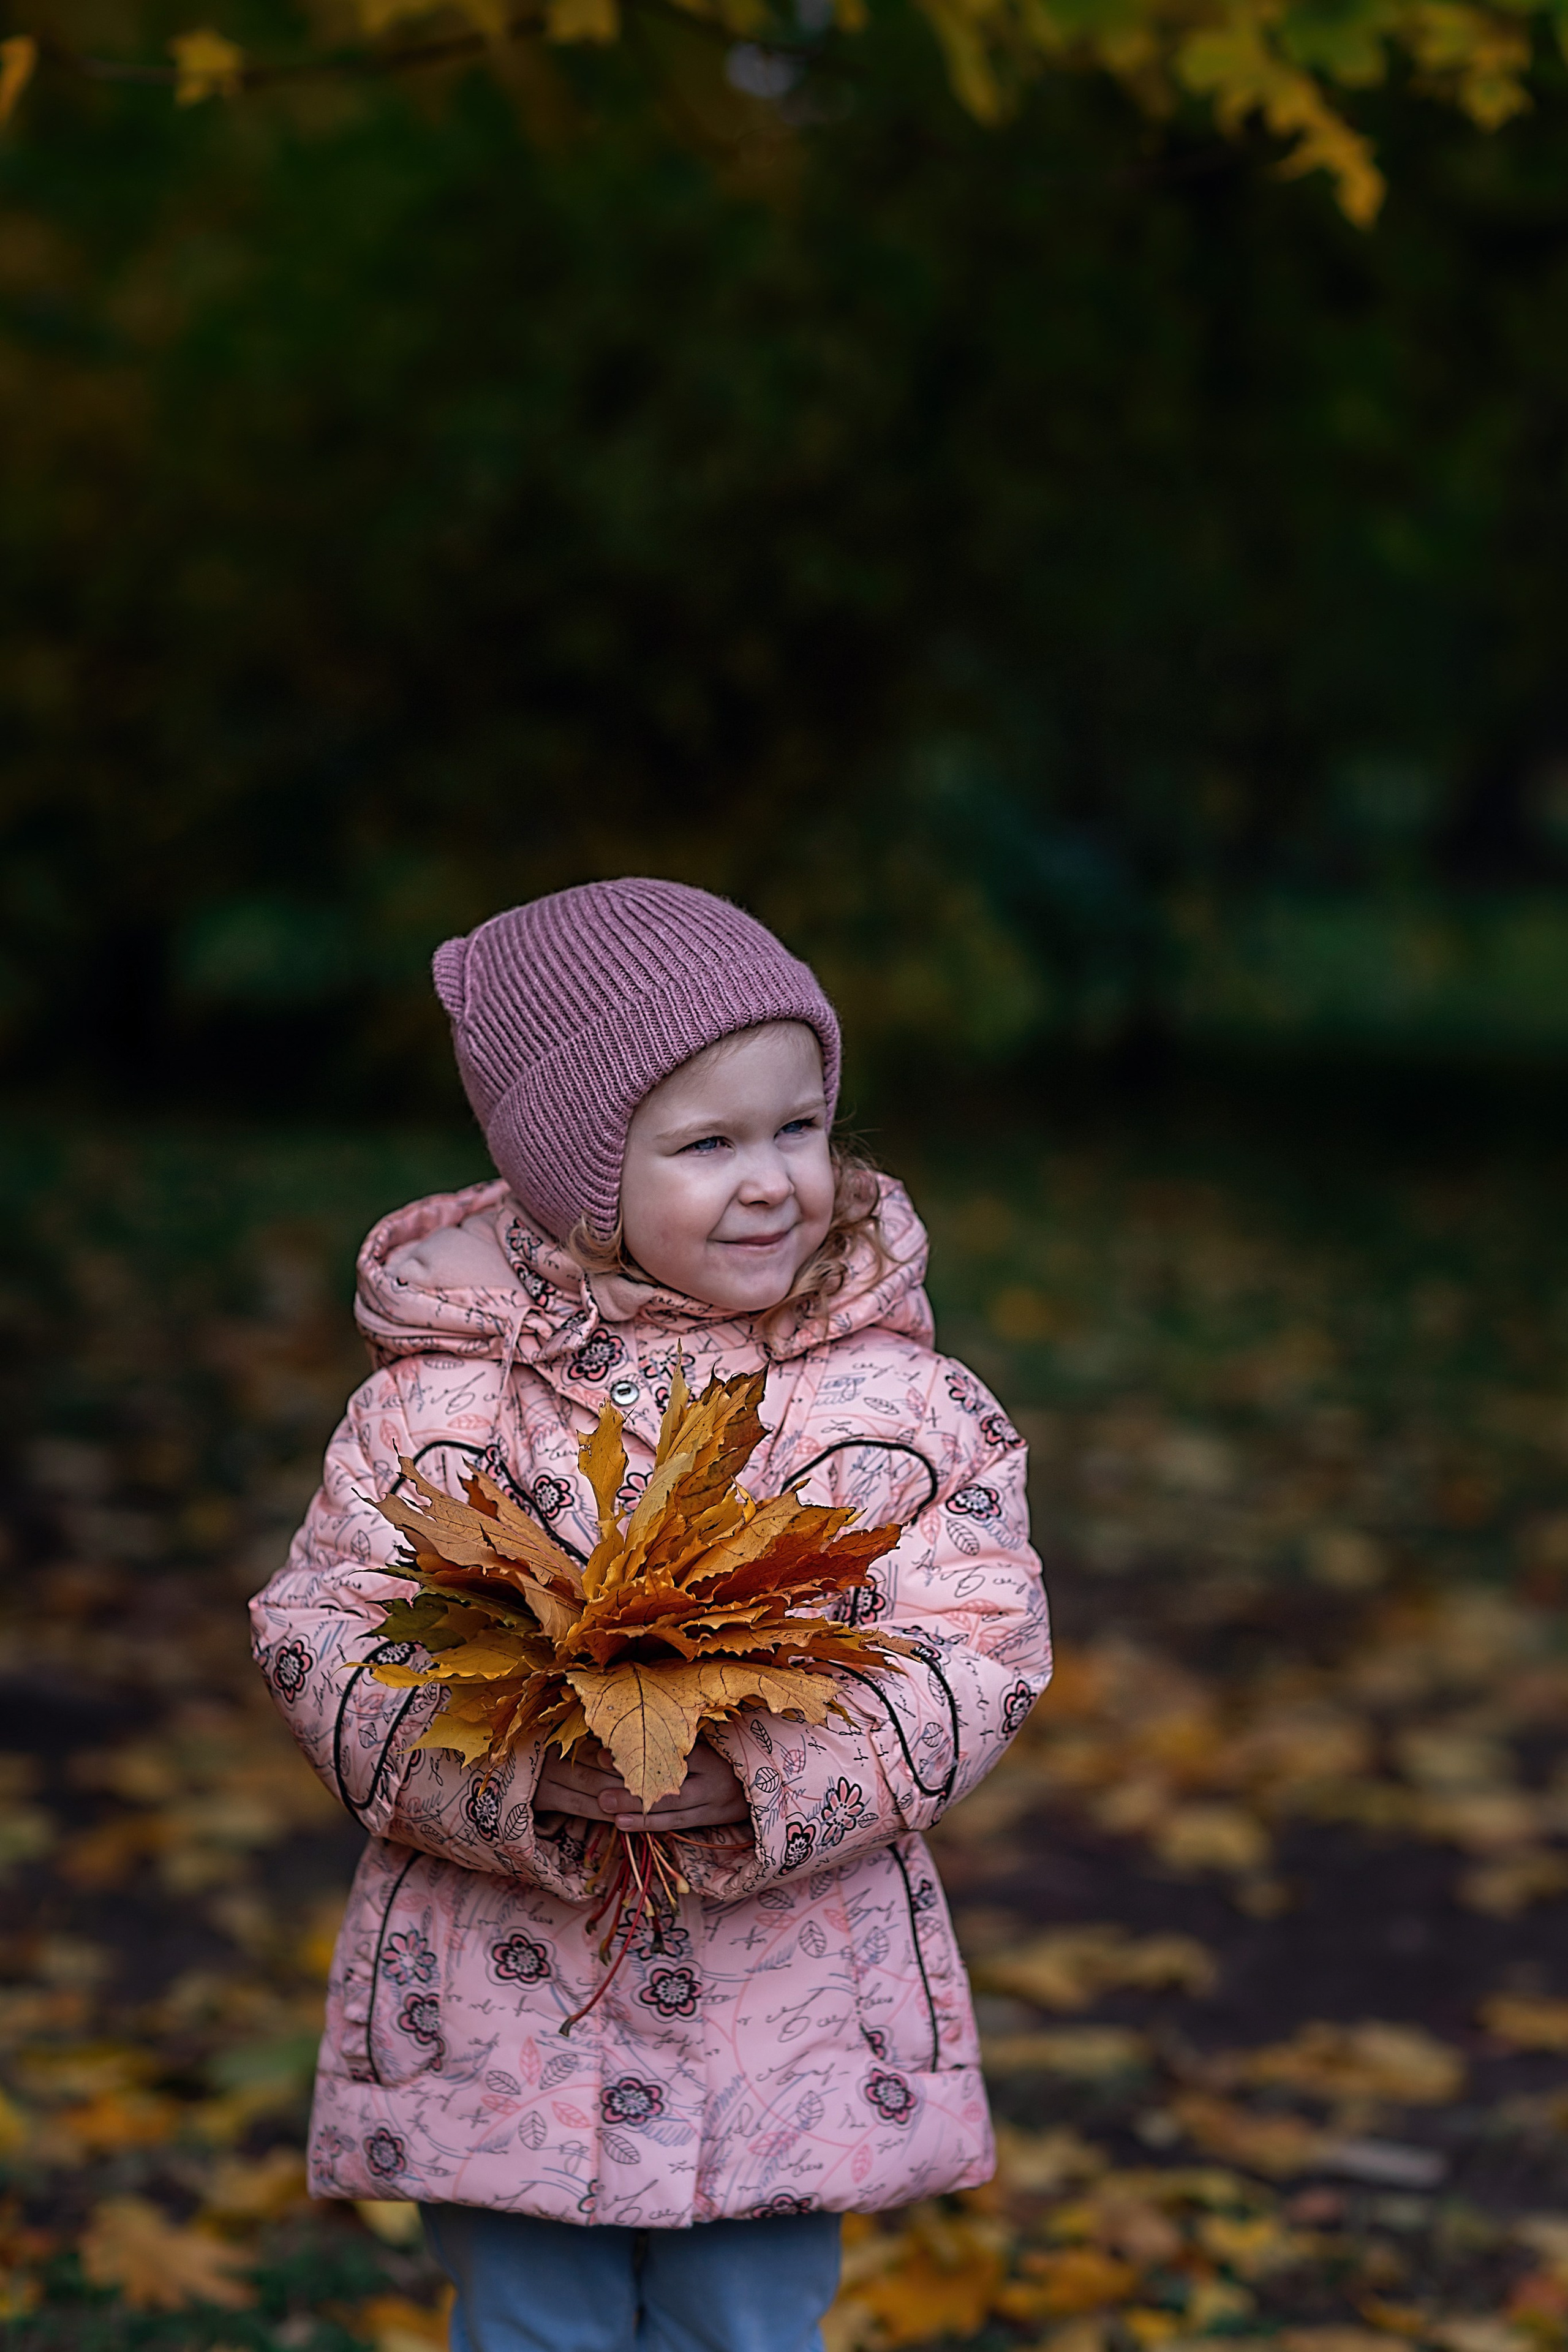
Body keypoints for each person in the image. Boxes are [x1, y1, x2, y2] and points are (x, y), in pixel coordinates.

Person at [252, 878, 1052, 2352]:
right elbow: (328, 1634)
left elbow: (978, 1640)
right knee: (528, 2320)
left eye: (797, 1127)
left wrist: (759, 1778)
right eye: (705, 1144)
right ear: (575, 1175)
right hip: (503, 1999)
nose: (770, 1181)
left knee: (742, 2322)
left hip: (786, 1997)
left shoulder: (892, 1400)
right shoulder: (436, 1403)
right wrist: (509, 1771)